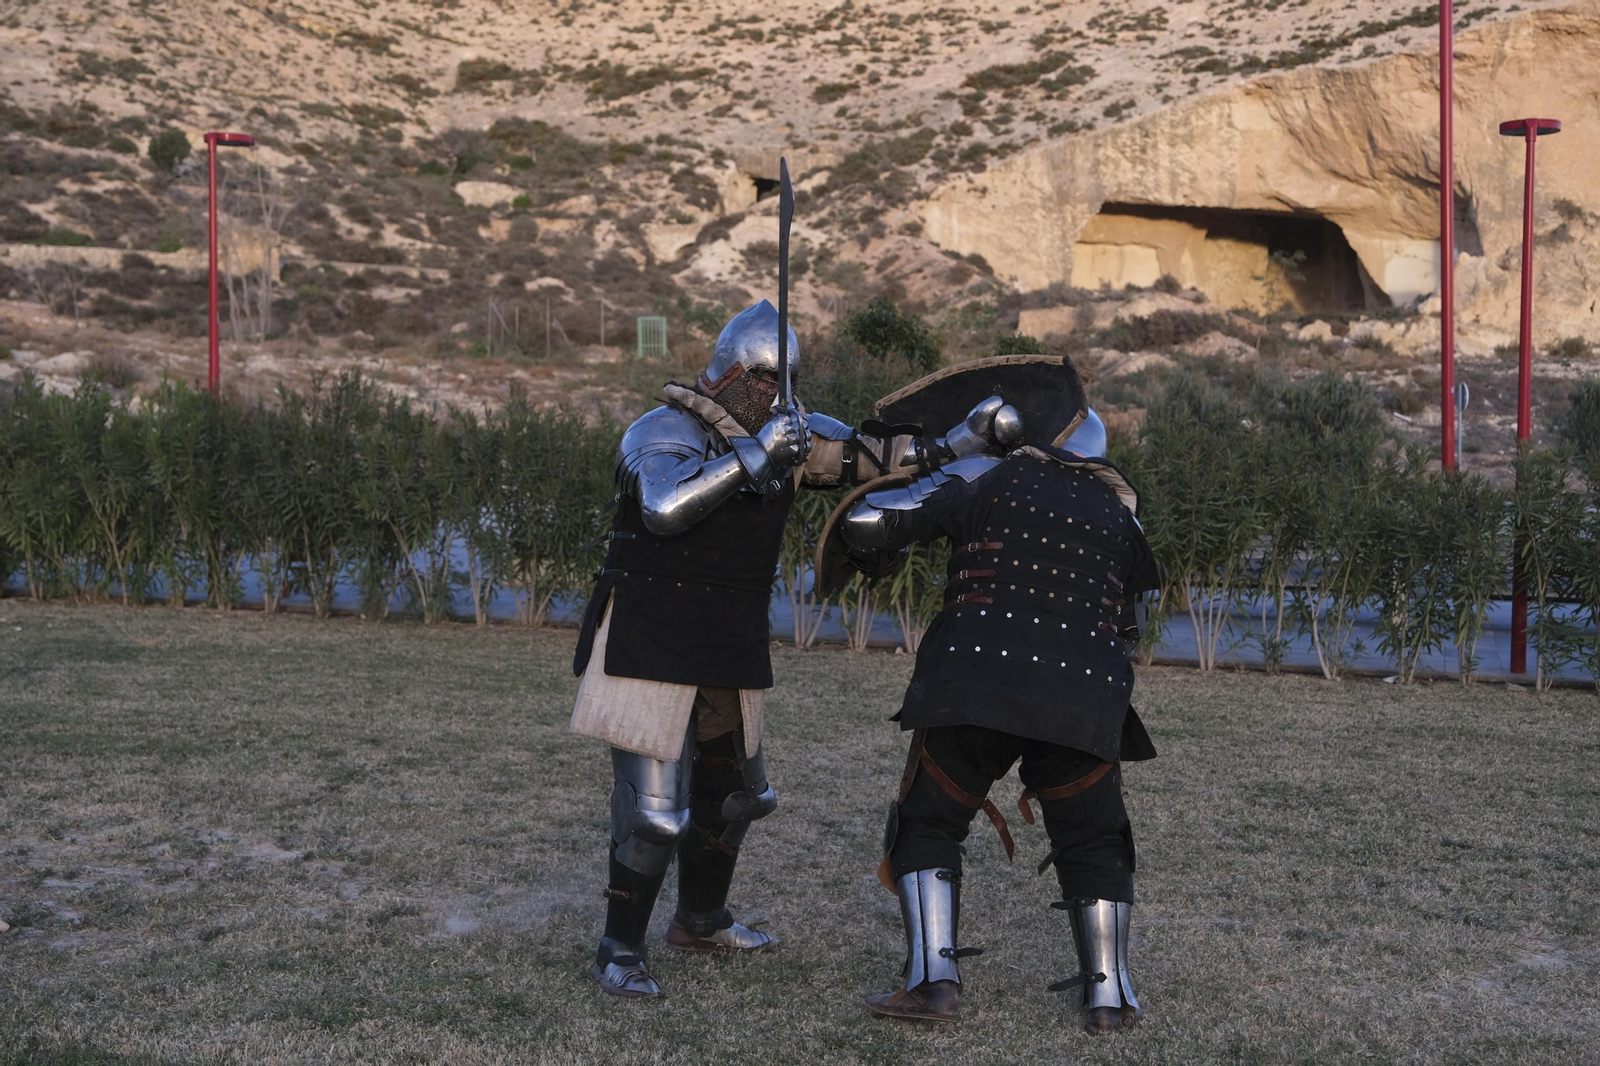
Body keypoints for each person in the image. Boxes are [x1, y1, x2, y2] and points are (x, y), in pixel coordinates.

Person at [571, 299, 1023, 998]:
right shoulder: (661, 429)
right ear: (729, 375)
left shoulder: (791, 435)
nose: (776, 400)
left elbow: (880, 460)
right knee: (657, 814)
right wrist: (757, 455)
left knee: (739, 798)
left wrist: (964, 438)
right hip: (649, 633)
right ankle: (616, 949)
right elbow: (662, 506)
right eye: (764, 384)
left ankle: (699, 919)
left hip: (727, 634)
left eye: (784, 387)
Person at [837, 371, 1160, 1034]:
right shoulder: (1122, 512)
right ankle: (1110, 998)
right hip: (1084, 692)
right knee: (1094, 835)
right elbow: (1133, 616)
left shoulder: (988, 474)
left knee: (928, 822)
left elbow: (868, 524)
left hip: (975, 681)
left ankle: (933, 985)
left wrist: (950, 451)